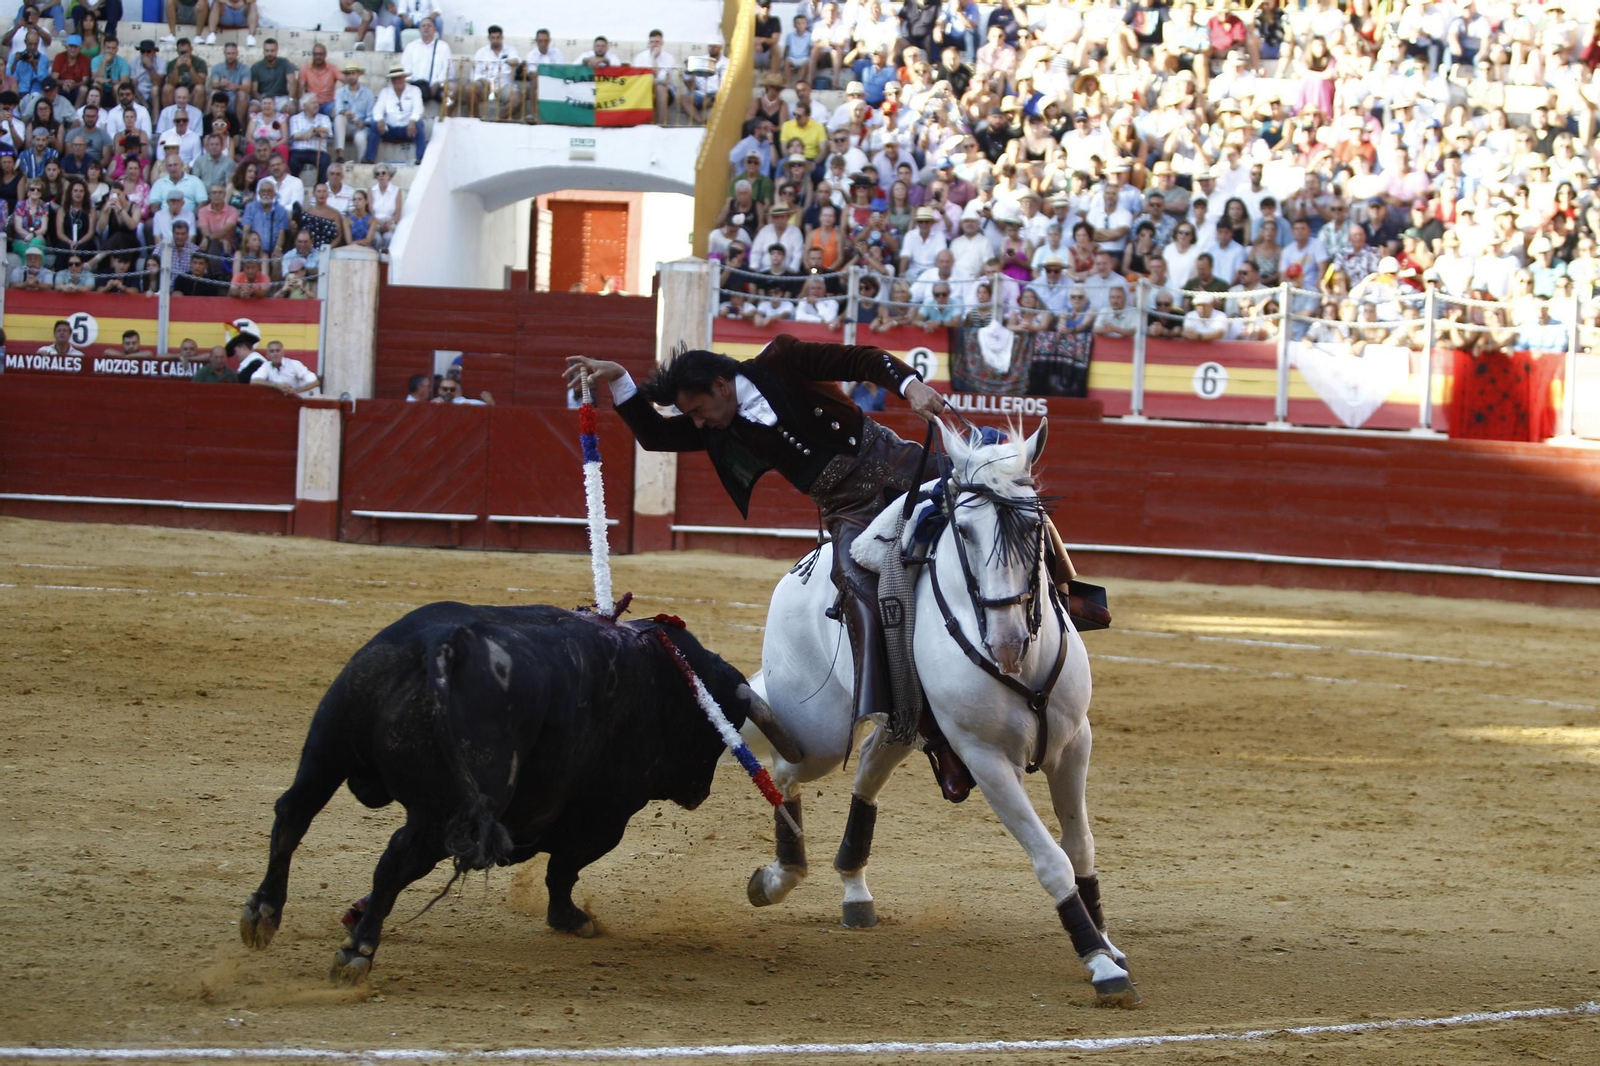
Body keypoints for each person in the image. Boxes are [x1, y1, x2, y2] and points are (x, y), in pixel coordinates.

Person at [564, 341, 980, 801]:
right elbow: (656, 436)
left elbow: (859, 360)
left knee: (1001, 496)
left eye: (699, 409)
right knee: (855, 588)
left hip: (900, 463)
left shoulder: (782, 361)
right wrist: (620, 377)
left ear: (721, 385)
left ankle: (1064, 597)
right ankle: (930, 735)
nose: (698, 422)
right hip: (849, 509)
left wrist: (910, 384)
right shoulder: (719, 427)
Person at [365, 66, 426, 165]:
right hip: (390, 130)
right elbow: (378, 108)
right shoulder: (385, 92)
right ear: (391, 80)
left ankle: (421, 158)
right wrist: (380, 119)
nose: (397, 81)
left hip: (408, 130)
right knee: (374, 124)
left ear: (404, 78)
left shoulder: (415, 90)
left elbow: (418, 108)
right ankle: (369, 158)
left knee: (419, 124)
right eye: (395, 79)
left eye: (400, 77)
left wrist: (413, 120)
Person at [250, 338, 318, 394]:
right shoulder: (266, 366)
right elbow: (254, 381)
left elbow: (315, 382)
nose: (275, 354)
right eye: (272, 351)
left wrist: (296, 391)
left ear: (283, 352)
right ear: (267, 354)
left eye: (278, 351)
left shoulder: (294, 364)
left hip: (295, 400)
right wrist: (276, 385)